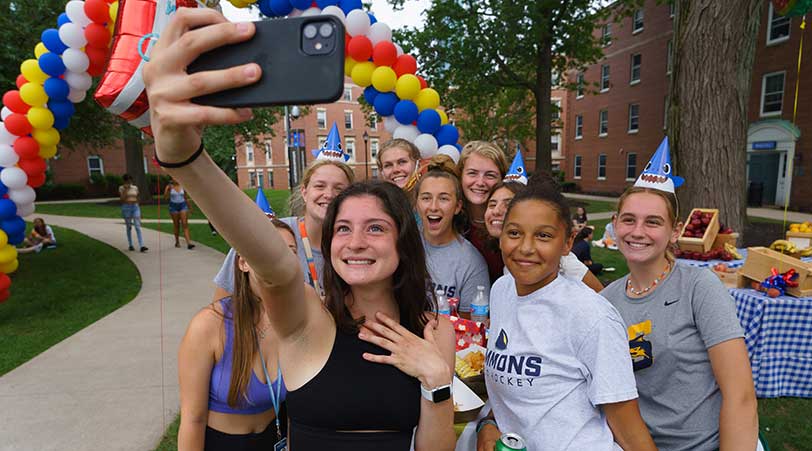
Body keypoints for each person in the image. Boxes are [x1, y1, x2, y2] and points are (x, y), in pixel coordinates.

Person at [143, 13, 456, 451]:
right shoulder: (308, 318)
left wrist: (437, 378)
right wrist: (184, 157)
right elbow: (272, 262)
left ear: (403, 244)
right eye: (343, 228)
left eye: (376, 228)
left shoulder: (433, 331)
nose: (356, 241)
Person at [477, 181, 656, 451]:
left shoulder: (591, 315)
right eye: (514, 233)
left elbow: (628, 428)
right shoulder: (502, 291)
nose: (525, 247)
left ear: (568, 243)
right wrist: (487, 425)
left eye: (544, 236)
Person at [601, 186, 758, 450]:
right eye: (629, 219)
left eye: (653, 222)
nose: (637, 231)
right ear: (615, 224)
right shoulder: (605, 301)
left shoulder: (699, 287)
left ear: (675, 231)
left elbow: (740, 396)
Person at [178, 218, 295, 451]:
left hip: (275, 439)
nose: (281, 261)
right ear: (243, 263)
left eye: (290, 253)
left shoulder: (294, 322)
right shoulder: (209, 325)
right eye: (267, 252)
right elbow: (193, 419)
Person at [212, 157, 354, 301]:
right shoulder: (269, 233)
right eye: (320, 186)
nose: (329, 194)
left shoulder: (354, 245)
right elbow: (221, 305)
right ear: (304, 193)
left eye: (339, 189)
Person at [484, 181, 604, 292]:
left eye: (508, 204)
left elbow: (602, 296)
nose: (496, 211)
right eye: (492, 204)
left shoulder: (564, 263)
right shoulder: (503, 277)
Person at [415, 156, 489, 315]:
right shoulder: (402, 245)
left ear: (457, 207)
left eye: (443, 198)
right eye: (426, 198)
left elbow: (470, 326)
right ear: (416, 204)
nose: (433, 207)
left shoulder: (471, 262)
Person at [456, 141, 508, 282]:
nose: (480, 182)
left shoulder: (512, 224)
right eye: (472, 173)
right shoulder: (450, 219)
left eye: (490, 175)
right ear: (460, 176)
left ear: (501, 179)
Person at [119, 174, 147, 252]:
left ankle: (142, 246)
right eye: (127, 181)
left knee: (137, 226)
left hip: (135, 207)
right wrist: (126, 189)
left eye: (130, 180)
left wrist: (139, 210)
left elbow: (137, 197)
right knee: (129, 227)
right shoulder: (121, 188)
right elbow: (122, 199)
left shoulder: (135, 188)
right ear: (124, 181)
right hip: (126, 208)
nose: (129, 182)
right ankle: (130, 245)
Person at [165, 179, 196, 249]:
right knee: (176, 225)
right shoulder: (169, 187)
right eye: (173, 178)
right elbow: (166, 198)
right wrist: (167, 191)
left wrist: (190, 207)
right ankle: (177, 241)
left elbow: (185, 198)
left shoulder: (183, 186)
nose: (175, 179)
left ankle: (189, 243)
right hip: (173, 206)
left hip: (183, 205)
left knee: (185, 224)